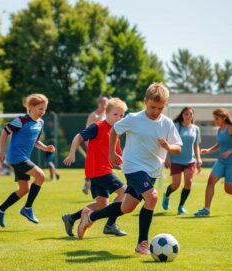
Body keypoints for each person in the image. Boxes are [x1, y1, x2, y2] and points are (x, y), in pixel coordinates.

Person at [77, 82, 182, 255]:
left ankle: (90, 217)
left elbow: (178, 146)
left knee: (127, 207)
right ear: (145, 101)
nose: (156, 111)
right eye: (152, 107)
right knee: (152, 197)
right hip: (133, 166)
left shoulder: (167, 123)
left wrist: (169, 147)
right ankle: (142, 244)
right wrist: (112, 153)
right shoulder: (134, 118)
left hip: (153, 170)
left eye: (160, 108)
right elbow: (114, 131)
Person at [62, 97, 128, 237]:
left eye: (121, 115)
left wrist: (120, 160)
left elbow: (115, 152)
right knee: (125, 193)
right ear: (107, 113)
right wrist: (71, 154)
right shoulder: (97, 127)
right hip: (99, 170)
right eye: (115, 114)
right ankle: (111, 225)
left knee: (102, 205)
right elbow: (78, 137)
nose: (119, 118)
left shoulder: (117, 131)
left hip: (99, 171)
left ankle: (71, 218)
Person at [0, 94, 55, 227]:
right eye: (40, 109)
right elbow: (5, 132)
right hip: (16, 158)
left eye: (44, 109)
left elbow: (35, 141)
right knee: (41, 176)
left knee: (23, 190)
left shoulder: (40, 122)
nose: (42, 112)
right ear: (31, 107)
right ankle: (27, 209)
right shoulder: (21, 120)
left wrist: (45, 148)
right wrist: (2, 151)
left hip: (23, 158)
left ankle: (0, 209)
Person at [194, 108, 232, 217]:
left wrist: (229, 151)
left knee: (228, 189)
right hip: (221, 161)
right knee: (210, 181)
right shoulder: (220, 130)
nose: (214, 121)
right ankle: (206, 209)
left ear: (224, 118)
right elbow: (220, 144)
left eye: (216, 118)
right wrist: (209, 150)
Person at [162, 107, 202, 215]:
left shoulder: (196, 129)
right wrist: (167, 158)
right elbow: (167, 142)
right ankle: (166, 195)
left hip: (190, 161)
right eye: (186, 114)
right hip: (176, 160)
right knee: (175, 185)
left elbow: (196, 145)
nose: (188, 116)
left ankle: (181, 206)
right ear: (182, 115)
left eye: (190, 114)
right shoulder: (176, 126)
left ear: (193, 115)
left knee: (188, 182)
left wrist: (198, 159)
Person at [82, 96, 109, 194]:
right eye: (102, 103)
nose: (104, 105)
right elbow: (87, 130)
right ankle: (88, 184)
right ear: (99, 103)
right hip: (93, 145)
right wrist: (87, 145)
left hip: (105, 146)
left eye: (106, 103)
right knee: (93, 165)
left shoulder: (108, 115)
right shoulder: (93, 115)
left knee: (101, 166)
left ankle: (92, 185)